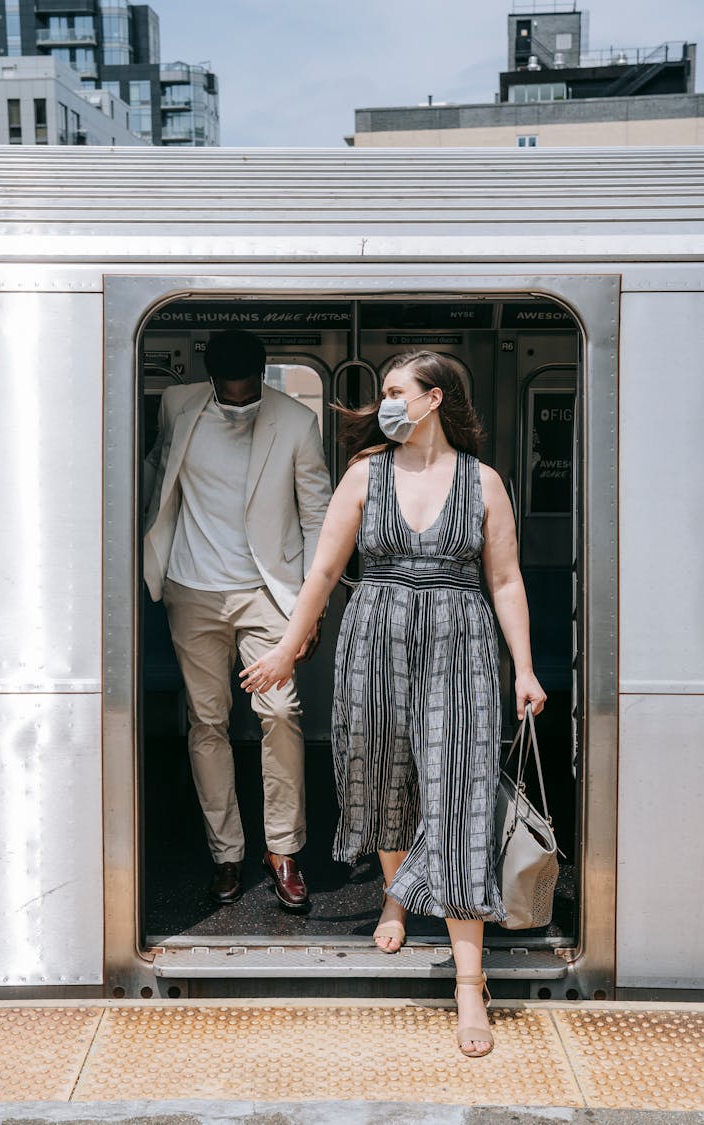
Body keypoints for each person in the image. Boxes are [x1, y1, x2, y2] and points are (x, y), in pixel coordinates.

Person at [240, 350, 546, 1057]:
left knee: (464, 793)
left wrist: (523, 667)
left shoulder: (483, 482)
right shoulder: (364, 474)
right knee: (381, 776)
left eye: (394, 391)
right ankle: (395, 894)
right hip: (374, 638)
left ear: (434, 398)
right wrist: (288, 649)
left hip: (462, 646)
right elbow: (322, 570)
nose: (385, 402)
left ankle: (470, 983)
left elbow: (504, 580)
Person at [143, 329, 332, 911]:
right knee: (207, 722)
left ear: (264, 372)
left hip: (266, 594)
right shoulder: (178, 407)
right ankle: (225, 852)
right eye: (230, 392)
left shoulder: (296, 423)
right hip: (191, 589)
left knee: (280, 713)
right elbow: (156, 480)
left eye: (249, 390)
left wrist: (308, 607)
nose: (240, 400)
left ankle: (283, 850)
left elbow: (317, 517)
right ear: (209, 377)